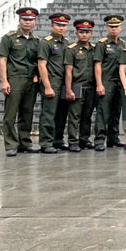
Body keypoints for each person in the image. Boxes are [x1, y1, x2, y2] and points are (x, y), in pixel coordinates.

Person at [0, 7, 41, 156]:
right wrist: (4, 81)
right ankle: (10, 145)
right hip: (15, 78)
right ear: (19, 21)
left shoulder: (36, 41)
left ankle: (24, 142)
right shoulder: (9, 38)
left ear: (34, 22)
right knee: (10, 113)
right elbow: (2, 60)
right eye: (25, 20)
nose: (28, 22)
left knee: (27, 113)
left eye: (31, 20)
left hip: (31, 80)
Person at [37, 12, 72, 154]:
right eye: (58, 25)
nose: (61, 28)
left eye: (64, 25)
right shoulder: (46, 42)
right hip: (52, 81)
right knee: (48, 113)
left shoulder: (66, 42)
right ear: (52, 26)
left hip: (65, 82)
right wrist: (47, 86)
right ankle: (46, 142)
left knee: (61, 113)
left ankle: (57, 140)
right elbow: (41, 65)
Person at [63, 18, 97, 152]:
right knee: (74, 116)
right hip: (77, 86)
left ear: (91, 34)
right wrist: (69, 89)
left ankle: (84, 139)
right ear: (76, 33)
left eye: (87, 32)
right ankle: (72, 141)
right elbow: (68, 71)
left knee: (87, 115)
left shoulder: (95, 49)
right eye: (81, 32)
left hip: (91, 86)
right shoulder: (72, 49)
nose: (84, 35)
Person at [94, 14, 126, 151]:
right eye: (111, 27)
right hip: (106, 81)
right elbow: (97, 65)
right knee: (103, 111)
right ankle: (100, 139)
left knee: (116, 110)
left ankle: (114, 138)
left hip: (119, 81)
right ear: (107, 28)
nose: (114, 29)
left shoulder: (122, 44)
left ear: (121, 28)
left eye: (116, 27)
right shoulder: (102, 44)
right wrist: (99, 84)